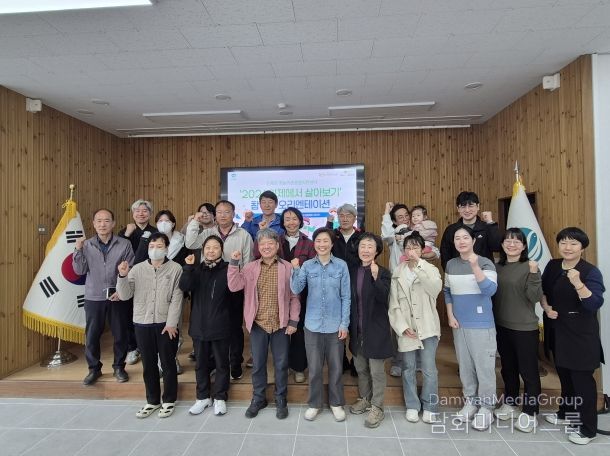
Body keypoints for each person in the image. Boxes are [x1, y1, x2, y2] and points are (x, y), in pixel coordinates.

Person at [541, 227, 605, 445]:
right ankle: (566, 413)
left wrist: (578, 283)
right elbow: (543, 291)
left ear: (582, 247)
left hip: (581, 334)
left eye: (573, 243)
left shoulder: (590, 272)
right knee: (565, 376)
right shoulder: (552, 265)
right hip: (558, 330)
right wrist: (546, 308)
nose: (567, 247)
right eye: (563, 243)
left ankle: (588, 429)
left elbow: (594, 303)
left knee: (582, 381)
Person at [228, 229, 300, 420]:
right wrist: (234, 263)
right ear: (258, 247)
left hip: (281, 324)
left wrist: (293, 320)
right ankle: (258, 398)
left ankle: (281, 398)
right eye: (262, 244)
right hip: (258, 324)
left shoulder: (287, 267)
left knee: (281, 364)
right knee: (258, 364)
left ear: (277, 245)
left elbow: (294, 297)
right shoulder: (250, 267)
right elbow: (234, 286)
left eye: (270, 243)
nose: (266, 247)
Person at [116, 232, 183, 419]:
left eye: (159, 246)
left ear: (167, 248)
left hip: (166, 324)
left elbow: (177, 298)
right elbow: (125, 295)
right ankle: (152, 400)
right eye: (152, 246)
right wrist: (122, 276)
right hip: (142, 323)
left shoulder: (175, 268)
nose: (155, 250)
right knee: (148, 364)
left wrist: (172, 323)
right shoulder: (137, 269)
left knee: (168, 363)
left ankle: (169, 400)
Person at [185, 200, 253, 380]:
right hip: (209, 286)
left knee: (234, 327)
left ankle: (235, 365)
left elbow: (247, 263)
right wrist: (195, 221)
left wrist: (243, 287)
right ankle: (214, 364)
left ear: (233, 214)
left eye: (227, 212)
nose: (223, 215)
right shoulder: (208, 232)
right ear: (215, 215)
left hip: (234, 287)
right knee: (212, 327)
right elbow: (190, 243)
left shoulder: (243, 235)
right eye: (220, 212)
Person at [291, 227, 351, 422]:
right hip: (313, 325)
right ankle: (314, 404)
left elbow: (346, 297)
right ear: (314, 244)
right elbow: (296, 288)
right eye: (318, 241)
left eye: (326, 241)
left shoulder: (341, 266)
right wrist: (296, 269)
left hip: (335, 326)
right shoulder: (308, 265)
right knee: (315, 369)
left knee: (336, 368)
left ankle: (336, 403)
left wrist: (344, 324)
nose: (322, 244)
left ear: (332, 244)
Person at [444, 226, 498, 431]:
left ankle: (487, 407)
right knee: (465, 366)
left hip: (481, 324)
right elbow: (447, 291)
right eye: (457, 238)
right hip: (459, 324)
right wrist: (450, 315)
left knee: (484, 368)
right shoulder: (451, 264)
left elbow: (490, 290)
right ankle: (471, 402)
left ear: (473, 241)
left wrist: (475, 266)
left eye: (465, 237)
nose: (461, 241)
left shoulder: (485, 262)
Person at [73, 208, 134, 386]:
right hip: (94, 296)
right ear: (93, 224)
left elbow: (130, 270)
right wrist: (77, 250)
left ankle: (119, 367)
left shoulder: (124, 244)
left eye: (106, 220)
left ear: (113, 224)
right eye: (99, 221)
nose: (102, 224)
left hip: (118, 296)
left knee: (120, 334)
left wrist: (121, 290)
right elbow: (79, 270)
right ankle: (94, 369)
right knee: (92, 335)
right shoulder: (86, 245)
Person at [255, 207, 316, 383]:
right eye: (287, 219)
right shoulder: (275, 240)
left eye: (294, 218)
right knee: (280, 332)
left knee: (298, 331)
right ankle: (283, 366)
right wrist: (261, 233)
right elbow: (258, 255)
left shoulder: (308, 243)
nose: (291, 222)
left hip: (301, 293)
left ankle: (298, 367)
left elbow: (312, 267)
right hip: (276, 292)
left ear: (300, 221)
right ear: (282, 222)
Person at [388, 232, 443, 425]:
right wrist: (402, 327)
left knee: (429, 369)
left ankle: (430, 406)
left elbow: (435, 290)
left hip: (427, 326)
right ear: (403, 250)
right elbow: (393, 303)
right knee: (408, 368)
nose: (411, 251)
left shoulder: (430, 269)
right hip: (407, 329)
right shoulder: (398, 271)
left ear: (422, 250)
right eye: (408, 248)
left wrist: (419, 266)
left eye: (415, 247)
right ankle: (412, 405)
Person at [492, 228, 543, 432]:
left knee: (528, 372)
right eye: (508, 241)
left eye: (516, 241)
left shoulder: (530, 266)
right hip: (501, 325)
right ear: (502, 244)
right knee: (508, 368)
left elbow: (535, 297)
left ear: (523, 246)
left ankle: (530, 412)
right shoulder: (497, 267)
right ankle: (511, 403)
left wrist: (534, 273)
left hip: (524, 327)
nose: (511, 244)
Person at [179, 236, 232, 417]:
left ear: (221, 250)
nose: (211, 251)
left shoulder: (228, 269)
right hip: (199, 326)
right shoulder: (196, 269)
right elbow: (184, 286)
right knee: (201, 364)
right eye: (208, 247)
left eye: (215, 247)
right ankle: (202, 397)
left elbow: (235, 296)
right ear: (203, 250)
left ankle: (220, 397)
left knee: (222, 364)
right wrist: (188, 268)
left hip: (220, 325)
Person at [347, 233, 393, 428]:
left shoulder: (383, 272)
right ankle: (365, 399)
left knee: (376, 371)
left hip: (376, 329)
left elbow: (384, 297)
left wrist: (375, 277)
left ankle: (377, 407)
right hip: (357, 329)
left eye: (370, 246)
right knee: (361, 368)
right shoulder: (353, 271)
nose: (365, 250)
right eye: (362, 246)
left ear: (377, 251)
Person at [119, 199, 155, 366]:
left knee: (146, 312)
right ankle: (132, 347)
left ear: (150, 214)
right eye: (137, 211)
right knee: (128, 313)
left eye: (145, 211)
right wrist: (127, 234)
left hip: (148, 278)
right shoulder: (124, 232)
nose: (141, 213)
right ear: (133, 214)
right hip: (128, 277)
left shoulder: (155, 232)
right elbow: (118, 254)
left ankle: (146, 346)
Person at [327, 203, 362, 375]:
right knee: (336, 325)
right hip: (334, 286)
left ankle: (356, 361)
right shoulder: (333, 236)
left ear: (355, 218)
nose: (345, 218)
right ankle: (340, 361)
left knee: (355, 325)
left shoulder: (362, 237)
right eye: (342, 215)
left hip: (357, 286)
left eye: (349, 215)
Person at [439, 191, 501, 271]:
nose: (467, 210)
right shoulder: (451, 230)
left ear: (478, 206)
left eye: (471, 206)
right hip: (459, 273)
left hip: (484, 272)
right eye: (463, 206)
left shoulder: (487, 227)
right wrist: (450, 271)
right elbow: (445, 255)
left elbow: (497, 247)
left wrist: (490, 223)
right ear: (458, 209)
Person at [381, 202, 411, 273]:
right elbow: (387, 235)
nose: (405, 219)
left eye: (406, 215)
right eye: (400, 217)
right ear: (394, 221)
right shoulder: (393, 235)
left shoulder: (417, 231)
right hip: (398, 274)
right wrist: (387, 211)